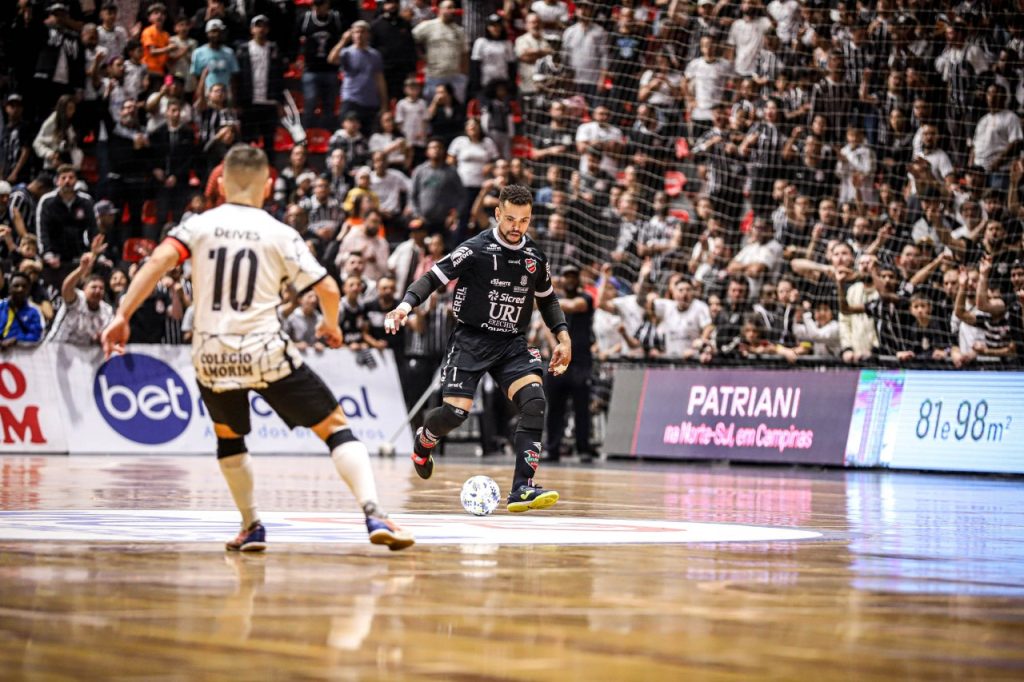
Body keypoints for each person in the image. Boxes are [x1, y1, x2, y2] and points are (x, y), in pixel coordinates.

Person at [100, 144, 413, 553]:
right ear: (268, 185)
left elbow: (158, 261)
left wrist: (121, 315)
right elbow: (328, 288)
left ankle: (251, 526)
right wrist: (330, 325)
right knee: (335, 427)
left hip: (210, 355)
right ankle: (373, 511)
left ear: (221, 181)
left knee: (229, 437)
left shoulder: (197, 226)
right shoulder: (278, 231)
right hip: (265, 352)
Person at [384, 184, 572, 512]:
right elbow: (432, 278)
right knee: (456, 413)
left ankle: (522, 489)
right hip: (470, 339)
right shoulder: (475, 249)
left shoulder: (534, 257)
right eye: (511, 219)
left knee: (535, 402)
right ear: (498, 214)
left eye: (524, 221)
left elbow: (548, 300)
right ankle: (425, 438)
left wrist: (563, 338)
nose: (517, 227)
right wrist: (404, 306)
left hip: (513, 342)